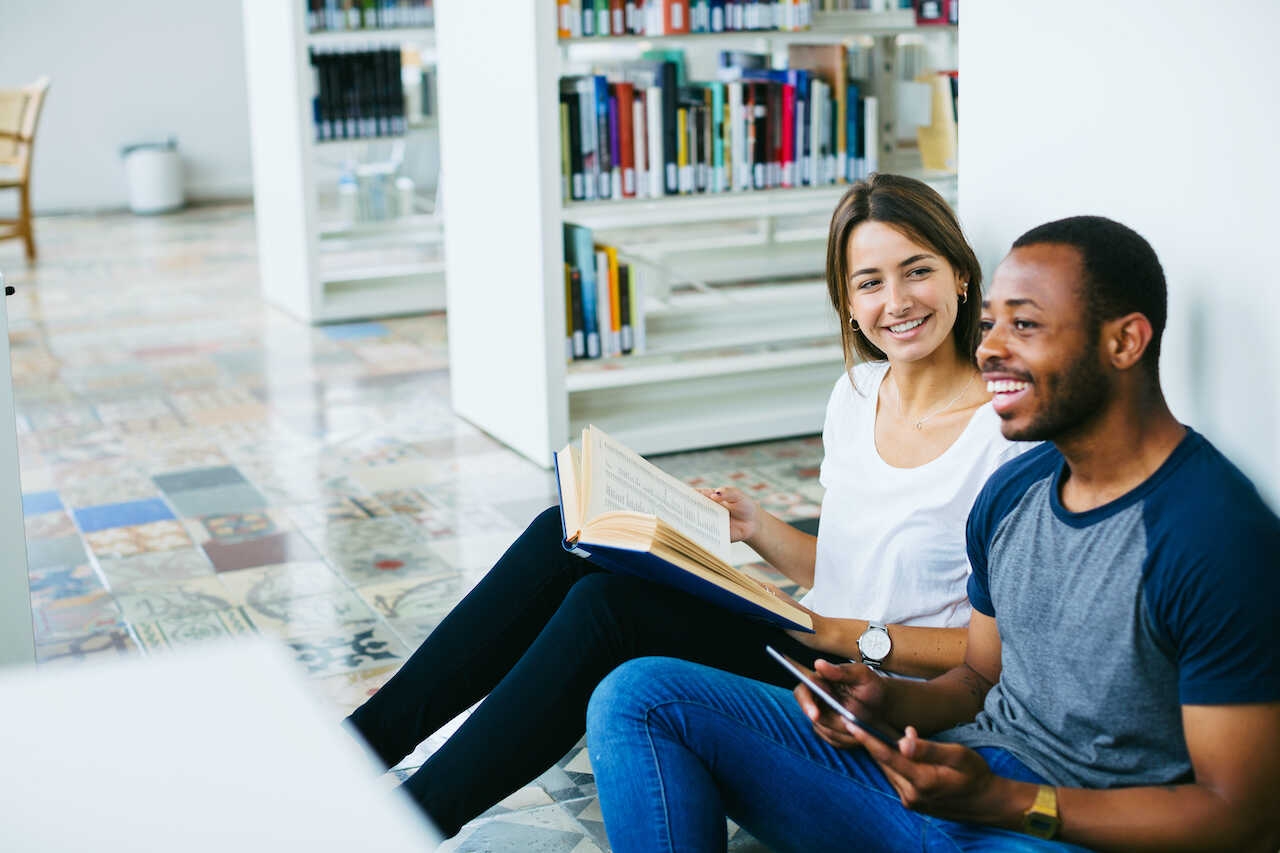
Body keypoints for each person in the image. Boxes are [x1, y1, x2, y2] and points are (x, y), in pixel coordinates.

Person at [345, 174, 1028, 837]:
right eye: (870, 282)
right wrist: (757, 528)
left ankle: (410, 820)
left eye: (917, 271)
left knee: (607, 611)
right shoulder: (856, 394)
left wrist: (844, 633)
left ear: (961, 275)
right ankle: (358, 749)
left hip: (880, 692)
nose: (898, 300)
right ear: (847, 302)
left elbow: (993, 654)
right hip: (811, 649)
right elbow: (862, 563)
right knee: (565, 533)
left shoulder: (1003, 437)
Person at [586, 215, 1280, 852]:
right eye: (991, 324)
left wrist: (1009, 801)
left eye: (1026, 326)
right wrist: (881, 696)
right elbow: (978, 676)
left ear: (1124, 340)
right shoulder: (1013, 492)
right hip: (953, 785)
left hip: (1062, 827)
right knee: (639, 696)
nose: (991, 349)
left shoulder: (1213, 536)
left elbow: (1241, 814)